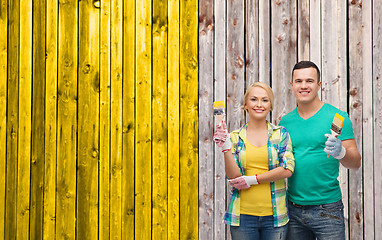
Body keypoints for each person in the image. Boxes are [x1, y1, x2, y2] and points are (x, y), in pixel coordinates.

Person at [278, 61, 361, 240]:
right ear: (292, 85)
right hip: (292, 209)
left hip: (328, 209)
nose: (304, 86)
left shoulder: (337, 117)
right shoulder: (285, 123)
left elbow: (355, 163)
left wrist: (341, 153)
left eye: (309, 81)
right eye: (299, 81)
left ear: (319, 85)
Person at [213, 82, 295, 240]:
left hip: (275, 217)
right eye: (254, 99)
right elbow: (234, 177)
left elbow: (287, 168)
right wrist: (225, 147)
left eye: (265, 100)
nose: (259, 104)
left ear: (270, 106)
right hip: (243, 217)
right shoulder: (235, 137)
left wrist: (253, 179)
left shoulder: (281, 134)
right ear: (245, 105)